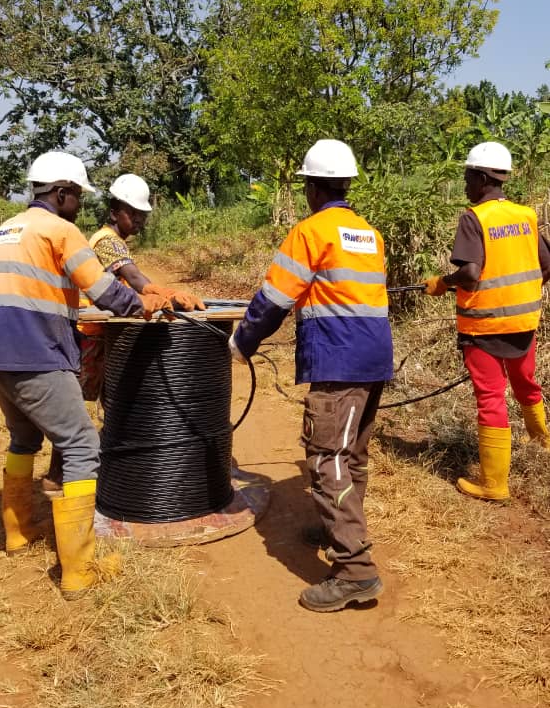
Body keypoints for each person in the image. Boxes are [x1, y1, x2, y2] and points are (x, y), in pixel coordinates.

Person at [0, 151, 171, 598]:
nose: (80, 207)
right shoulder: (59, 230)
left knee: (24, 437)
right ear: (62, 192)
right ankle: (80, 569)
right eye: (76, 197)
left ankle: (18, 532)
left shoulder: (4, 229)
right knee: (83, 445)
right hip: (35, 351)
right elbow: (103, 288)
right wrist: (139, 304)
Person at [229, 139, 393, 613]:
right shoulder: (367, 232)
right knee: (351, 456)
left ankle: (354, 571)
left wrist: (243, 343)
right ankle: (334, 529)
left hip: (339, 362)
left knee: (326, 459)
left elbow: (275, 298)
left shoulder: (311, 231)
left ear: (313, 187)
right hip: (373, 358)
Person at [43, 172, 205, 492]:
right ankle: (57, 477)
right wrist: (164, 292)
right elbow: (134, 277)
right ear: (116, 211)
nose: (140, 221)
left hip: (104, 333)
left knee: (111, 402)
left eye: (142, 215)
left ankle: (106, 467)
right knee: (76, 408)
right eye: (134, 214)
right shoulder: (107, 240)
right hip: (90, 333)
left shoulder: (114, 240)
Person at [424, 141, 550, 501]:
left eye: (467, 176)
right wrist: (519, 295)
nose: (465, 183)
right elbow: (546, 265)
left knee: (491, 399)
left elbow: (471, 273)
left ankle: (494, 484)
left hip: (484, 327)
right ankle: (541, 441)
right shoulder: (524, 215)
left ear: (481, 178)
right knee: (526, 383)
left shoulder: (473, 218)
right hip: (524, 322)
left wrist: (441, 284)